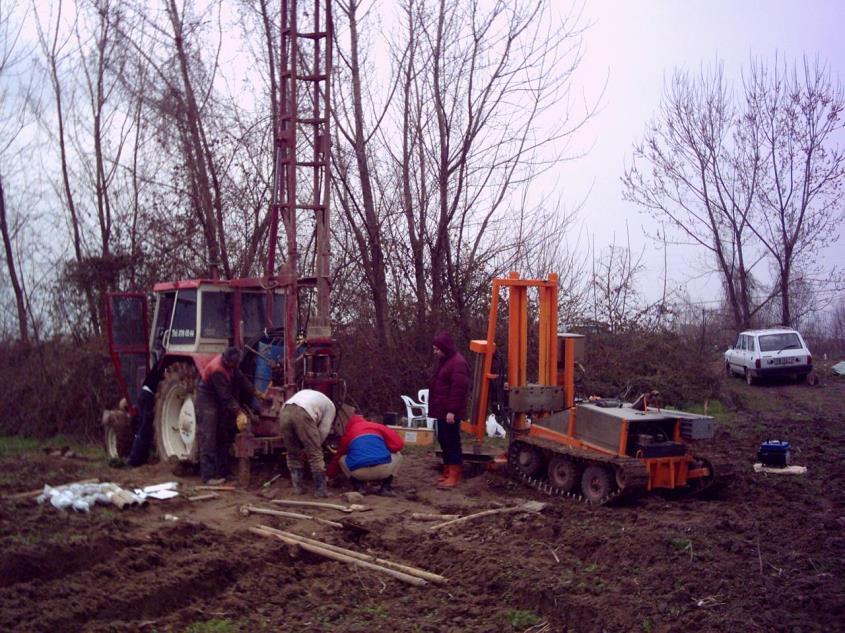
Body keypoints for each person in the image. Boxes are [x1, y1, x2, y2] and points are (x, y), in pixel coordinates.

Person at [196, 346, 261, 484]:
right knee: (208, 435)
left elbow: (241, 379)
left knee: (223, 434)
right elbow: (225, 397)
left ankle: (223, 472)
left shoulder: (231, 365)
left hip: (218, 397)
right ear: (229, 361)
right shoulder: (217, 370)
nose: (236, 366)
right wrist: (239, 413)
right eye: (235, 364)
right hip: (207, 398)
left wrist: (256, 392)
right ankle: (208, 476)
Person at [429, 331, 470, 488]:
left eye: (437, 349)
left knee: (452, 442)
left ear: (444, 347)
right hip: (441, 410)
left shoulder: (458, 363)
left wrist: (452, 411)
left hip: (450, 412)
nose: (435, 352)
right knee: (444, 440)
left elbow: (459, 389)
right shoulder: (445, 361)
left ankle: (454, 474)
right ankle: (447, 470)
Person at [327, 414, 404, 496]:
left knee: (342, 459)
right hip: (385, 470)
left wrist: (329, 475)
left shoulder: (348, 434)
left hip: (359, 473)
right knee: (398, 455)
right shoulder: (378, 427)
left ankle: (359, 487)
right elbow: (398, 445)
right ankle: (385, 487)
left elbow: (337, 457)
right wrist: (385, 447)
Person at [279, 389, 337, 497]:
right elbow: (323, 431)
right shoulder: (331, 407)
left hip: (285, 411)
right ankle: (320, 491)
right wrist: (310, 448)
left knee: (292, 453)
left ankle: (298, 488)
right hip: (304, 412)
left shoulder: (310, 395)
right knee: (315, 453)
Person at [126, 364, 163, 467]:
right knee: (144, 429)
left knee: (142, 428)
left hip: (144, 394)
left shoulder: (158, 365)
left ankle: (138, 457)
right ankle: (134, 460)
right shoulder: (163, 365)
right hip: (147, 396)